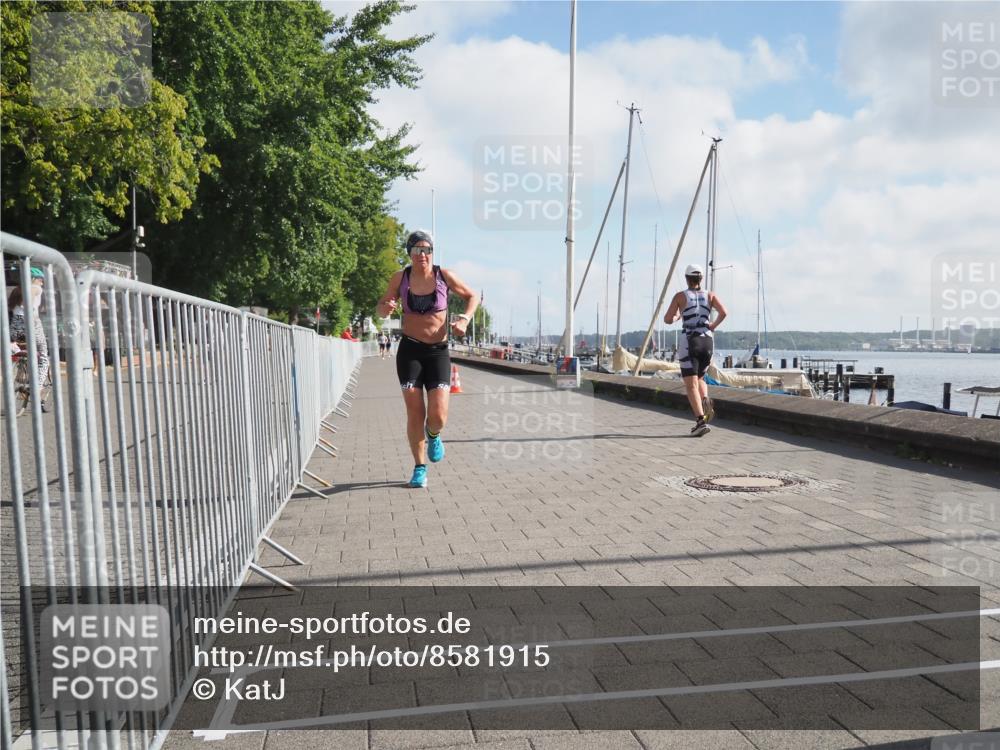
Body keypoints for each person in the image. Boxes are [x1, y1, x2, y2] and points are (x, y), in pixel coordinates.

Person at [376, 229, 478, 488]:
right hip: (410, 352)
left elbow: (472, 296)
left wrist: (464, 319)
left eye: (427, 250)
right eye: (417, 250)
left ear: (432, 252)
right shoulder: (401, 278)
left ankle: (434, 434)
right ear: (409, 253)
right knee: (414, 412)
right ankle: (419, 468)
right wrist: (385, 308)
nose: (423, 255)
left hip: (437, 352)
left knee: (438, 415)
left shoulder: (444, 276)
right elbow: (381, 306)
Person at [663, 264, 727, 437]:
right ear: (701, 279)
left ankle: (700, 421)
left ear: (686, 278)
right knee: (699, 377)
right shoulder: (710, 295)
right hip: (707, 341)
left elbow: (667, 319)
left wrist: (678, 316)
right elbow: (724, 312)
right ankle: (705, 399)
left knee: (690, 384)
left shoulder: (680, 296)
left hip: (690, 341)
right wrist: (712, 326)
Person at [8, 266, 51, 410]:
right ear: (33, 279)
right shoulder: (35, 288)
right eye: (40, 279)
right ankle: (36, 389)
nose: (42, 282)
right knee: (44, 356)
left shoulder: (15, 290)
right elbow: (31, 294)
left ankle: (15, 351)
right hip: (31, 322)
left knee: (22, 349)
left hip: (15, 324)